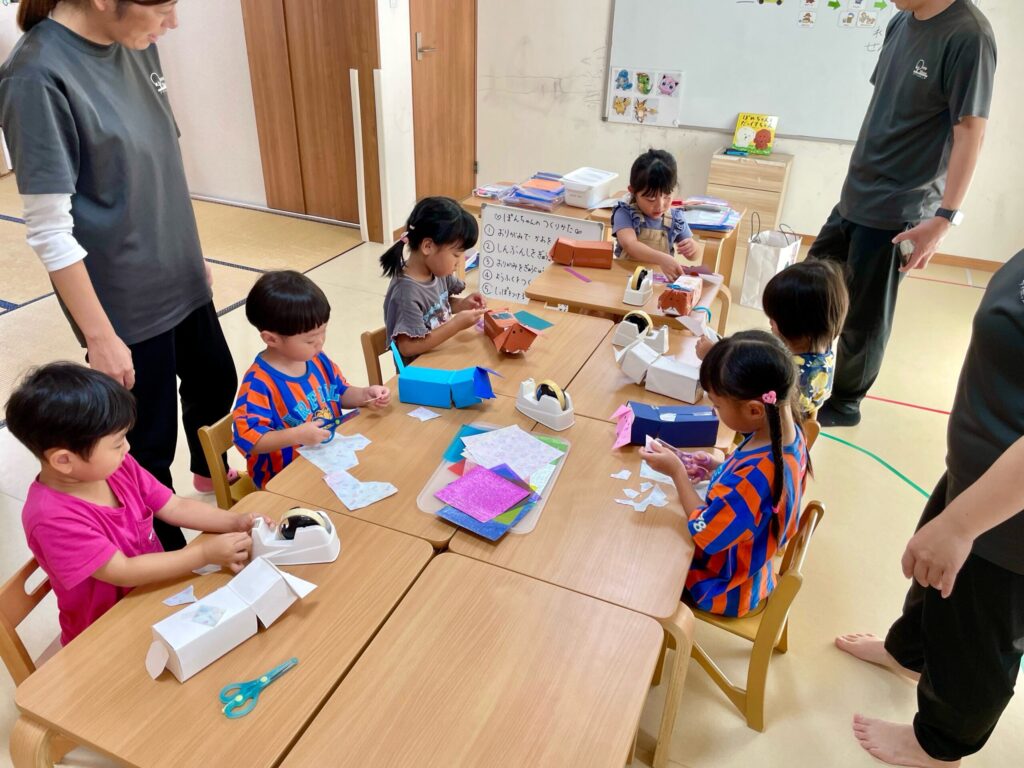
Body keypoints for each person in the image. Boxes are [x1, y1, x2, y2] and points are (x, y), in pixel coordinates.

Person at [0, 0, 239, 551]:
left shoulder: (135, 42)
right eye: (165, 8)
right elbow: (49, 230)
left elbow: (158, 163)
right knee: (145, 442)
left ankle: (209, 473)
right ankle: (167, 556)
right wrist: (100, 336)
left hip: (178, 269)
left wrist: (191, 251)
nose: (173, 23)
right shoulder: (35, 77)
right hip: (123, 301)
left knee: (214, 381)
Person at [835, 249, 1024, 768]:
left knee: (977, 628)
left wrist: (963, 524)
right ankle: (909, 654)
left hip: (1011, 511)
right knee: (932, 581)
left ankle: (939, 747)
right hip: (981, 469)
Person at [807, 0, 996, 427]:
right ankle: (800, 375)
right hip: (857, 192)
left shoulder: (969, 35)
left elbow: (971, 132)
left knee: (863, 317)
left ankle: (845, 403)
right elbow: (888, 108)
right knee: (810, 290)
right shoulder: (901, 21)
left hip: (901, 205)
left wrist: (945, 217)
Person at [5, 363, 261, 646]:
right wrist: (203, 554)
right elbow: (123, 570)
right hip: (104, 632)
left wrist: (235, 521)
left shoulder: (117, 466)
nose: (127, 448)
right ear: (64, 460)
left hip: (153, 595)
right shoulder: (51, 518)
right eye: (117, 443)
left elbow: (174, 506)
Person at [641, 330, 809, 616]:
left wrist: (677, 472)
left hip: (725, 585)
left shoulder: (755, 475)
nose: (714, 410)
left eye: (717, 405)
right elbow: (752, 494)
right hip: (753, 563)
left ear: (755, 410)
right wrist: (717, 467)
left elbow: (704, 531)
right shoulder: (786, 433)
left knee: (642, 555)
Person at [233, 271, 391, 489]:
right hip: (282, 479)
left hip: (326, 459)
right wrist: (295, 435)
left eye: (323, 332)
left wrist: (364, 394)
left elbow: (339, 391)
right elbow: (248, 439)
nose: (320, 342)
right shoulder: (259, 384)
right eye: (309, 340)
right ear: (271, 339)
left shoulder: (316, 359)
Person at [699, 260, 849, 419]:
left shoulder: (793, 373)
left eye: (775, 318)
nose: (770, 322)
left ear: (798, 325)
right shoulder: (819, 347)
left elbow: (743, 392)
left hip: (767, 426)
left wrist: (714, 358)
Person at [381, 196, 487, 364]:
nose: (459, 262)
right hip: (420, 372)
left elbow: (437, 306)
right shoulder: (405, 293)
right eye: (456, 255)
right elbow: (407, 347)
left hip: (441, 355)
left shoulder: (437, 272)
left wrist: (462, 305)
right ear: (428, 246)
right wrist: (456, 325)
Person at [611, 149, 700, 282]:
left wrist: (693, 248)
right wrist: (661, 259)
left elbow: (693, 256)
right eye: (651, 199)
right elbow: (630, 245)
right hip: (627, 280)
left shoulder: (675, 218)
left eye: (667, 197)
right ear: (633, 191)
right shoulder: (625, 213)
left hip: (659, 282)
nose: (660, 205)